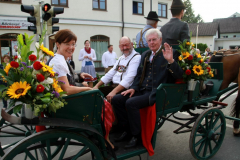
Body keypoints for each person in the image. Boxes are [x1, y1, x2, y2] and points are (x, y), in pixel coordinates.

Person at [111, 29, 183, 149]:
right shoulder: (145, 54)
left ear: (160, 40)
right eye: (149, 40)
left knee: (130, 103)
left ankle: (136, 135)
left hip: (157, 92)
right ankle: (126, 130)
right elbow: (139, 75)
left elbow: (179, 75)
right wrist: (133, 88)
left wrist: (170, 61)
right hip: (142, 90)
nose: (151, 42)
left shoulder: (171, 53)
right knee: (117, 99)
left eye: (154, 39)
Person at [49, 29, 115, 149]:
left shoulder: (59, 58)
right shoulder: (58, 62)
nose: (71, 47)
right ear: (58, 44)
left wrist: (79, 76)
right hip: (70, 102)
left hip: (68, 99)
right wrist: (87, 90)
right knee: (105, 104)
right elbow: (67, 89)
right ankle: (105, 138)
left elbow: (66, 78)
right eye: (67, 44)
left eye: (73, 44)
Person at [93, 37, 141, 103]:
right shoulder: (121, 58)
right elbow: (110, 73)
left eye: (126, 45)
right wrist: (96, 86)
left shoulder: (136, 57)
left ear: (131, 44)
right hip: (115, 86)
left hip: (125, 88)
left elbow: (130, 78)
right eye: (122, 46)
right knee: (95, 94)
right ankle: (102, 113)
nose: (124, 48)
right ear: (119, 47)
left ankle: (111, 112)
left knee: (114, 98)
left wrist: (113, 92)